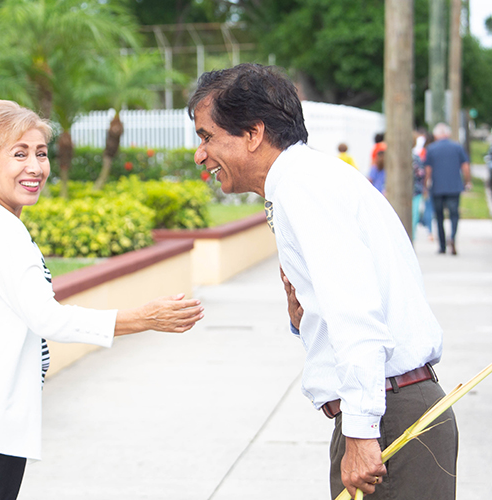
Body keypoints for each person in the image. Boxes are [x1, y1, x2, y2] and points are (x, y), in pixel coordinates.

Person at [0, 100, 204, 500]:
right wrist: (144, 318)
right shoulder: (2, 231)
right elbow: (48, 320)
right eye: (19, 154)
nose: (36, 167)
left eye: (40, 153)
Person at [188, 63, 457, 500]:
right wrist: (303, 318)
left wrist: (363, 433)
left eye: (207, 136)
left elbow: (358, 319)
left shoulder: (302, 187)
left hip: (389, 415)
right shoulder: (306, 180)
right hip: (386, 408)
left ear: (253, 134)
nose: (200, 154)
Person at [424, 122, 472, 255]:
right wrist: (467, 181)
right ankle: (453, 237)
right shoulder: (457, 147)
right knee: (454, 214)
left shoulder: (431, 149)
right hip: (454, 187)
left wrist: (425, 185)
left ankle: (442, 246)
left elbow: (428, 170)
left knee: (439, 216)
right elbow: (465, 166)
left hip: (437, 187)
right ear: (448, 134)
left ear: (436, 135)